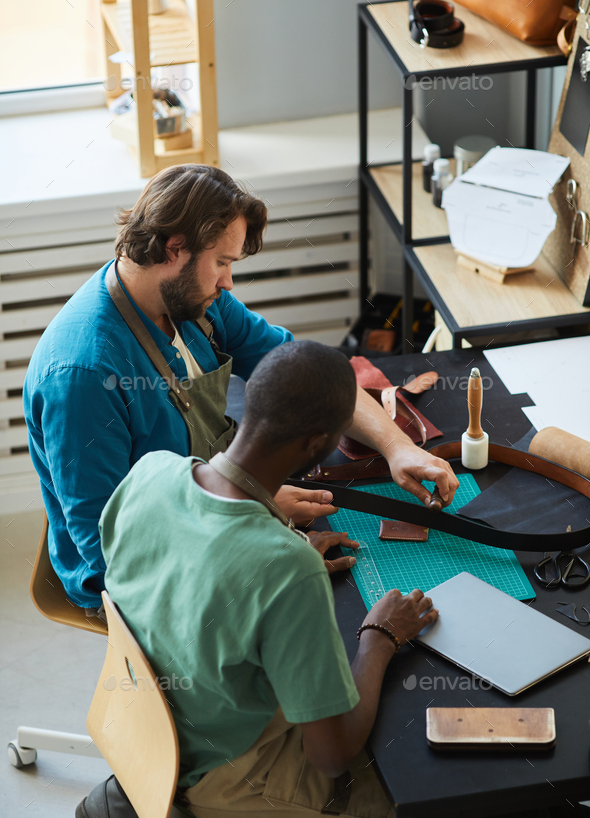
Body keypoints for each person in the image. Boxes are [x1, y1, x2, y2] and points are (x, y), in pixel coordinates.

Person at [24, 164, 458, 616]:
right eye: (223, 263)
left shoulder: (192, 302)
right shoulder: (83, 377)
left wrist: (397, 446)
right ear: (174, 248)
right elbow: (113, 555)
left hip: (214, 506)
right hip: (143, 588)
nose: (228, 282)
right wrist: (253, 519)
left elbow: (309, 376)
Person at [78, 341, 439, 818]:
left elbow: (166, 575)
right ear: (318, 445)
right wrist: (380, 638)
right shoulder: (289, 571)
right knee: (419, 785)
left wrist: (267, 558)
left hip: (144, 730)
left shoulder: (150, 473)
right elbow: (331, 756)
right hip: (223, 780)